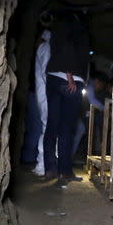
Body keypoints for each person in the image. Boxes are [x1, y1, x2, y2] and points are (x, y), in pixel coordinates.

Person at [42, 15, 89, 184]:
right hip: (69, 81)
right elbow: (69, 50)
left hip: (53, 79)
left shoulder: (57, 29)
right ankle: (64, 171)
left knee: (52, 126)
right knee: (66, 129)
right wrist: (70, 76)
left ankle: (50, 169)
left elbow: (59, 50)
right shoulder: (75, 30)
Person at [72, 72, 109, 158]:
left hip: (80, 115)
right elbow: (92, 100)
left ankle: (70, 157)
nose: (100, 88)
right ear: (97, 81)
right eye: (101, 85)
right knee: (78, 133)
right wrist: (105, 109)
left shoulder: (91, 87)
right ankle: (68, 158)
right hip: (76, 114)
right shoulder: (89, 86)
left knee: (79, 133)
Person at [32, 27, 51, 176]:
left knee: (47, 128)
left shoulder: (43, 47)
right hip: (47, 94)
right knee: (47, 128)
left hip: (44, 93)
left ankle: (45, 164)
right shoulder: (46, 47)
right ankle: (42, 165)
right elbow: (46, 72)